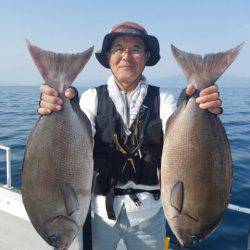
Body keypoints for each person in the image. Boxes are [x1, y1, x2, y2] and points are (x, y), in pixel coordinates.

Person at [38, 22, 223, 250]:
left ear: (146, 56)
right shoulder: (91, 98)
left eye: (135, 49)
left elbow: (178, 138)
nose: (126, 56)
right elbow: (79, 142)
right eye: (118, 49)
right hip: (99, 215)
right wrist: (62, 106)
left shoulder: (163, 98)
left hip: (149, 216)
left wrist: (196, 104)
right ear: (108, 57)